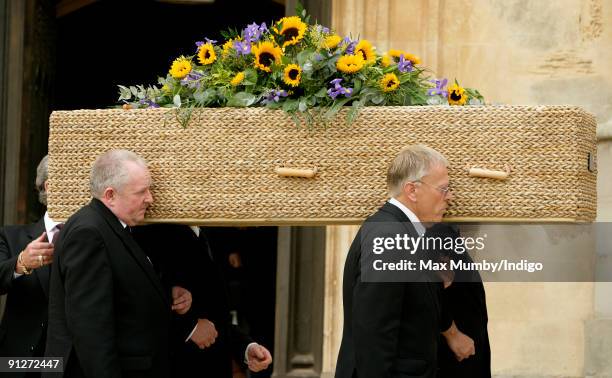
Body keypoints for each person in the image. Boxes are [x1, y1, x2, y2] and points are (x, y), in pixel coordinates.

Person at [44, 149, 191, 378]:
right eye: (141, 192)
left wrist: (164, 292)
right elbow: (92, 330)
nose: (150, 199)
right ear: (110, 195)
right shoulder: (89, 233)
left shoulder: (111, 226)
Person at [335, 144, 457, 378]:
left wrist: (434, 281)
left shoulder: (400, 232)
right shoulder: (389, 236)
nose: (449, 197)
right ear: (412, 190)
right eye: (443, 189)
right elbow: (374, 332)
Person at [132, 224, 273, 378]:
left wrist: (246, 348)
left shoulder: (206, 232)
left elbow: (215, 313)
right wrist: (189, 327)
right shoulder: (153, 232)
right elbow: (138, 298)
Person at [0, 155, 60, 377]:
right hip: (19, 361)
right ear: (49, 186)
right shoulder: (10, 236)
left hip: (74, 364)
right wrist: (20, 262)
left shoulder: (94, 238)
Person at [427, 223, 491, 378]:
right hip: (457, 344)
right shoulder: (436, 234)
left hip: (465, 340)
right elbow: (434, 290)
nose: (449, 196)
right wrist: (452, 334)